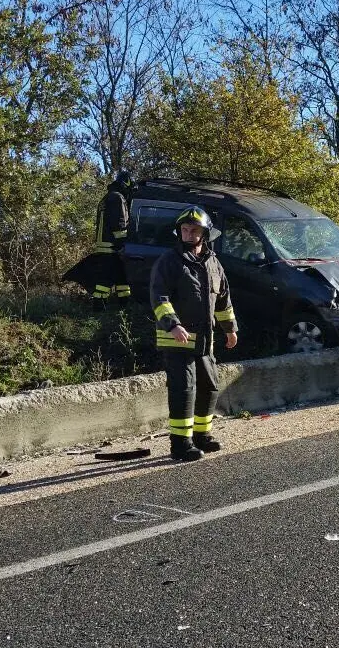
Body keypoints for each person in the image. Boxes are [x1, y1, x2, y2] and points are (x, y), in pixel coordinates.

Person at [150, 206, 238, 462]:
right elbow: (159, 298)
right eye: (185, 230)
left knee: (209, 387)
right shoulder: (169, 261)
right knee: (183, 390)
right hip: (177, 339)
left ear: (205, 234)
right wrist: (173, 324)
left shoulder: (213, 263)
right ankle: (180, 444)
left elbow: (223, 300)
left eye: (194, 230)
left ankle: (202, 436)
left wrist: (230, 330)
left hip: (205, 341)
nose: (188, 234)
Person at [90, 170, 134, 310]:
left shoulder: (106, 198)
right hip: (112, 246)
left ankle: (123, 305)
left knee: (120, 277)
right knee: (106, 280)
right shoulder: (117, 198)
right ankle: (99, 307)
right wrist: (122, 244)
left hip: (104, 246)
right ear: (125, 184)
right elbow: (119, 223)